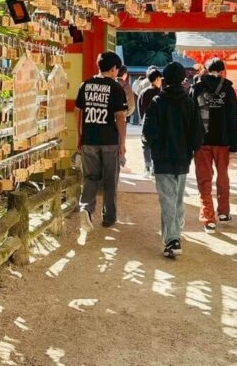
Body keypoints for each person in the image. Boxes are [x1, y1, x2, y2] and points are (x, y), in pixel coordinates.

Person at [141, 62, 203, 258]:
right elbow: (198, 134)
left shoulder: (157, 102)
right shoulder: (190, 103)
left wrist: (147, 145)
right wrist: (192, 148)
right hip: (183, 159)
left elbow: (148, 133)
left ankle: (173, 239)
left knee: (167, 199)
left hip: (162, 158)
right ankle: (173, 236)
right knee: (177, 199)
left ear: (165, 80)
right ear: (183, 80)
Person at [75, 51, 128, 229]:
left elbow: (78, 113)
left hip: (89, 139)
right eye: (117, 70)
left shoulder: (85, 85)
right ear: (113, 69)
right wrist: (123, 143)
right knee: (110, 180)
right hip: (110, 141)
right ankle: (109, 217)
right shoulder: (116, 88)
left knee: (90, 177)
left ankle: (86, 208)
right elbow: (120, 117)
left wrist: (79, 136)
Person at [191, 57, 237, 233]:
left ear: (206, 69)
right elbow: (234, 118)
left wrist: (190, 141)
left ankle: (208, 218)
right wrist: (233, 143)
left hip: (201, 140)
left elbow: (191, 116)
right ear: (222, 71)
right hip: (223, 140)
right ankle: (224, 212)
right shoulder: (228, 89)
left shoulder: (196, 89)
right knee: (223, 175)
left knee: (204, 179)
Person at [137, 67, 162, 176]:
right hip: (159, 124)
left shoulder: (143, 92)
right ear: (157, 79)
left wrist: (143, 120)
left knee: (146, 145)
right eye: (161, 79)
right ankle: (155, 169)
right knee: (157, 146)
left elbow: (140, 108)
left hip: (146, 123)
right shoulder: (161, 93)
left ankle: (147, 167)